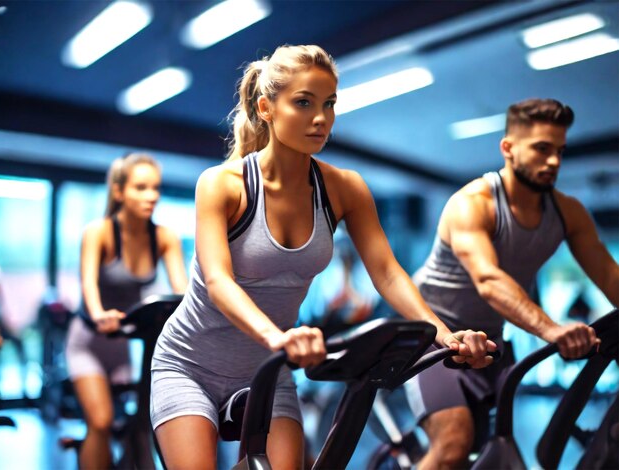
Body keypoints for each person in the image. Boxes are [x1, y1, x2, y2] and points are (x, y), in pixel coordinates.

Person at [150, 44, 496, 470]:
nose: (321, 118)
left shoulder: (344, 188)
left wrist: (445, 334)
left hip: (268, 369)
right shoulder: (223, 184)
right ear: (267, 107)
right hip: (191, 364)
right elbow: (220, 281)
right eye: (303, 103)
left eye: (329, 104)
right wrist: (278, 337)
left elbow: (387, 273)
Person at [407, 98, 618, 469]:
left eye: (559, 151)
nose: (553, 160)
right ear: (508, 148)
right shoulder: (472, 203)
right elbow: (489, 280)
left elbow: (609, 274)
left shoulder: (568, 212)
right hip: (432, 336)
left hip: (490, 341)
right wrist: (552, 329)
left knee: (495, 452)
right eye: (541, 149)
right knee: (454, 445)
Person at [64, 153, 188, 469]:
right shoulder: (100, 232)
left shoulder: (164, 237)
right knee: (102, 421)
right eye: (141, 187)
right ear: (119, 192)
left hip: (125, 345)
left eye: (156, 188)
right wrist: (98, 313)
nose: (152, 196)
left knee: (141, 422)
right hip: (89, 341)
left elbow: (183, 292)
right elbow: (88, 285)